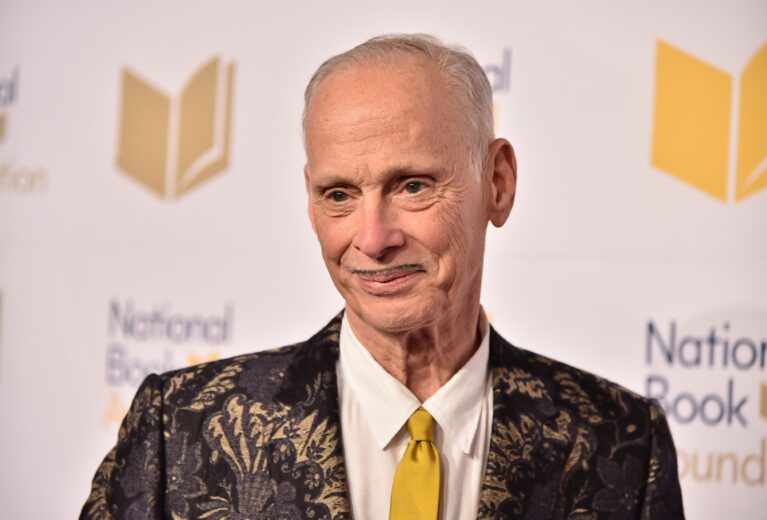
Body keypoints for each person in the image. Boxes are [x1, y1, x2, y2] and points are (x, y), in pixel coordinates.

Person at [81, 34, 684, 519]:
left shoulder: (621, 445)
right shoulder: (181, 430)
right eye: (339, 195)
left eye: (412, 185)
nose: (371, 239)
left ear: (497, 184)